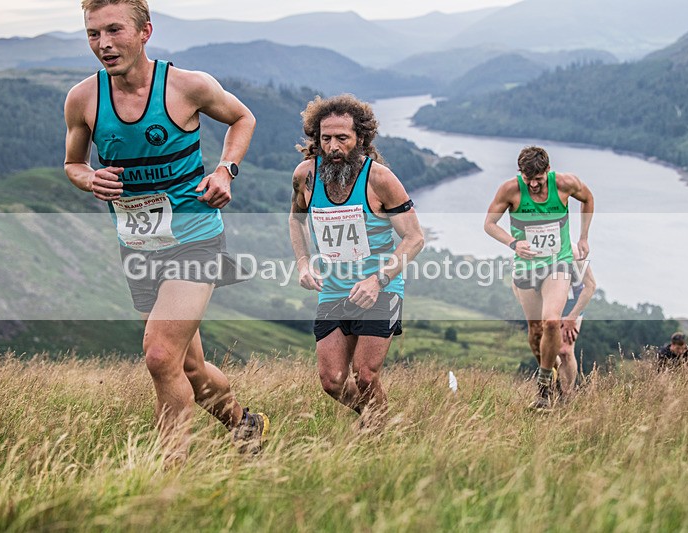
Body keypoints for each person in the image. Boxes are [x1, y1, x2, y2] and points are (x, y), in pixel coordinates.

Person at [63, 0, 267, 461]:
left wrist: (224, 171)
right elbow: (73, 163)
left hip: (195, 237)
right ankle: (246, 425)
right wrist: (88, 177)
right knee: (188, 366)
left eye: (114, 30)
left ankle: (168, 482)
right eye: (93, 33)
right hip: (137, 247)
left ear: (145, 31)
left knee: (158, 356)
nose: (104, 44)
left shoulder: (187, 86)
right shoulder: (83, 98)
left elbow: (242, 118)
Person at [288, 94, 424, 428]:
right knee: (332, 380)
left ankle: (377, 434)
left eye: (342, 138)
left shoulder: (380, 179)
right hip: (334, 290)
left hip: (379, 290)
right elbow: (295, 219)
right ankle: (379, 420)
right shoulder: (305, 175)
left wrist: (379, 279)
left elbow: (415, 237)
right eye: (325, 139)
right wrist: (303, 263)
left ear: (360, 139)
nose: (332, 147)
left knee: (365, 376)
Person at [484, 146, 594, 411]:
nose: (533, 184)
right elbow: (489, 223)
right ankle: (552, 376)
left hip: (558, 264)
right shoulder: (510, 189)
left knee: (552, 322)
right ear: (521, 173)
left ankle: (543, 388)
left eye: (538, 179)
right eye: (527, 178)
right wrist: (513, 243)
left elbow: (588, 199)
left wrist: (583, 236)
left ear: (548, 171)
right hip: (526, 267)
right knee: (535, 334)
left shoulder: (566, 184)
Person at [513, 243, 596, 398]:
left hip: (572, 303)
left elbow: (590, 286)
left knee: (565, 351)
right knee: (546, 348)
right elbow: (516, 283)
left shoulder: (572, 251)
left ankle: (566, 395)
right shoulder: (531, 246)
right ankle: (552, 382)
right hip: (546, 302)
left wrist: (572, 316)